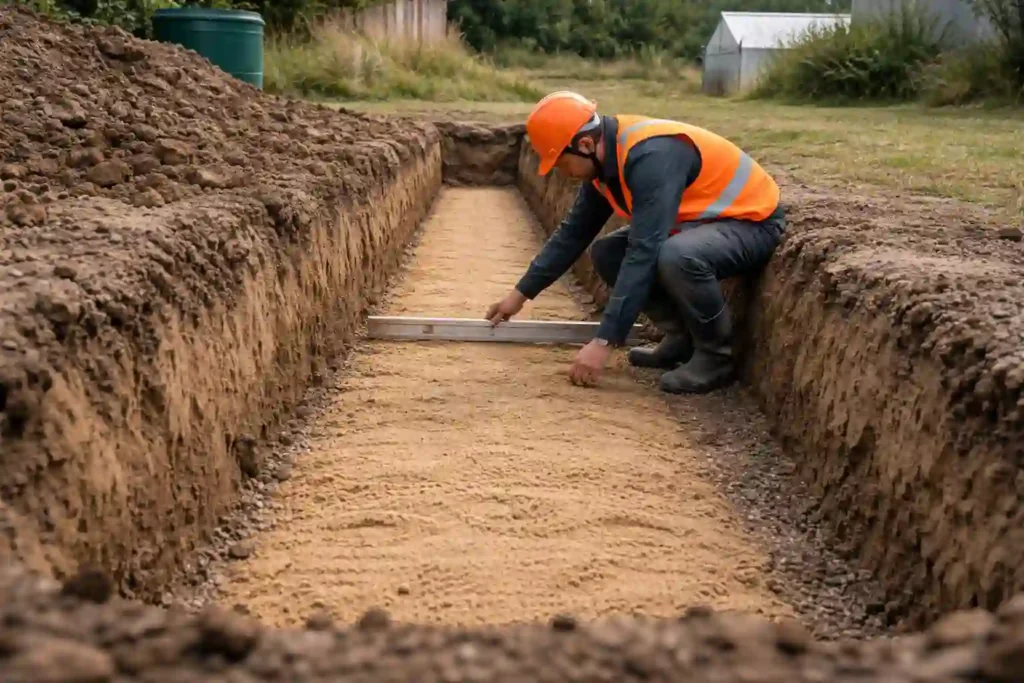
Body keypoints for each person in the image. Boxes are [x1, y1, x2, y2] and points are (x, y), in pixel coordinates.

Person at [484, 90, 786, 394]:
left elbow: (644, 250)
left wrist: (604, 341)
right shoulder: (603, 165)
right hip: (702, 223)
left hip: (750, 222)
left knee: (677, 256)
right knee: (608, 253)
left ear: (585, 144)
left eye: (561, 163)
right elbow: (573, 233)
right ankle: (681, 337)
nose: (564, 173)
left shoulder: (650, 158)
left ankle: (716, 357)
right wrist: (521, 294)